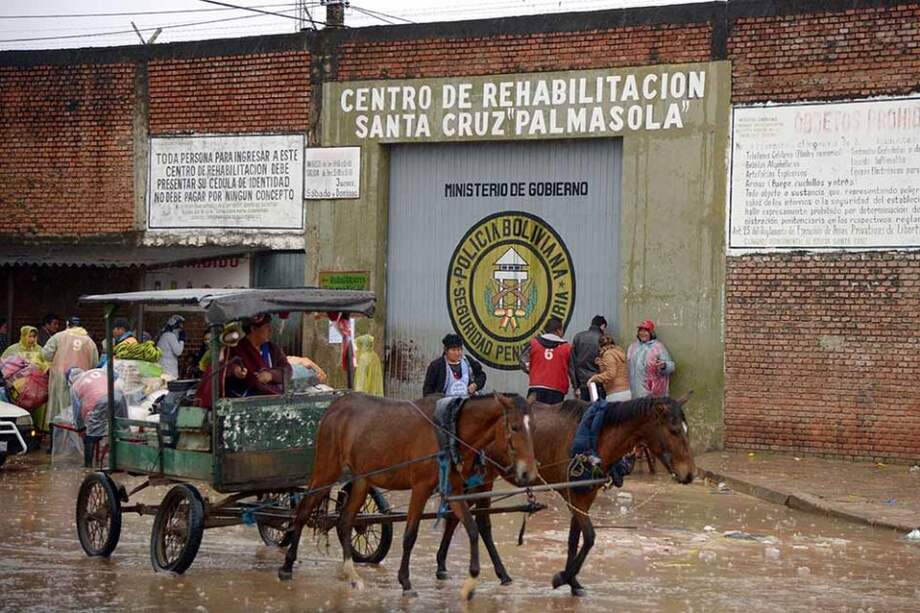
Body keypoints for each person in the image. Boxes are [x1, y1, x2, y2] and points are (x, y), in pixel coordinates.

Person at [197, 313, 291, 407]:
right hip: (242, 405)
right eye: (267, 327)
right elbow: (219, 367)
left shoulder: (273, 349)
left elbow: (287, 370)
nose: (271, 330)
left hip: (272, 402)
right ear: (253, 329)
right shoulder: (235, 348)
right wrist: (234, 370)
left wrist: (271, 375)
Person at [41, 316, 99, 433]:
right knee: (76, 409)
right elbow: (94, 363)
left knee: (57, 408)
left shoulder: (58, 337)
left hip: (60, 378)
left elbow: (46, 355)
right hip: (80, 380)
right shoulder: (89, 341)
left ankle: (55, 442)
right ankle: (73, 440)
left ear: (68, 324)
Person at [519, 317, 572, 404]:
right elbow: (572, 369)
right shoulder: (567, 347)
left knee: (532, 415)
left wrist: (532, 371)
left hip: (536, 387)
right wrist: (576, 387)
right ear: (559, 330)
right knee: (552, 416)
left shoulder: (533, 343)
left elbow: (522, 360)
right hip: (557, 389)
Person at [422, 333, 486, 397]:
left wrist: (475, 385)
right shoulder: (436, 366)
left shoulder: (468, 361)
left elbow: (481, 375)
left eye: (459, 350)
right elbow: (428, 390)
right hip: (444, 403)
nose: (457, 353)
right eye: (453, 350)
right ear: (446, 350)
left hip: (467, 402)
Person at [627, 319, 675, 398]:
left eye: (645, 331)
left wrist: (664, 365)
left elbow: (671, 366)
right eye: (641, 331)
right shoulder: (633, 347)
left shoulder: (658, 347)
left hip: (653, 394)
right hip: (636, 393)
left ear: (651, 333)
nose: (642, 333)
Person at [569, 315, 608, 401]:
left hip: (582, 383)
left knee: (584, 410)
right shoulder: (603, 339)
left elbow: (572, 364)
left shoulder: (578, 337)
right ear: (602, 326)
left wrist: (575, 386)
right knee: (597, 410)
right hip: (598, 382)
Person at [587, 334, 631, 402]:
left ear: (600, 346)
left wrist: (594, 378)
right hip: (626, 391)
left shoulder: (608, 354)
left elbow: (611, 374)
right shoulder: (618, 352)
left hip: (615, 392)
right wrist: (601, 363)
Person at [156, 314, 185, 379]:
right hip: (168, 370)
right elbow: (178, 352)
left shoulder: (165, 335)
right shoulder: (170, 336)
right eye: (179, 328)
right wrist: (182, 340)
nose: (180, 330)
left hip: (165, 368)